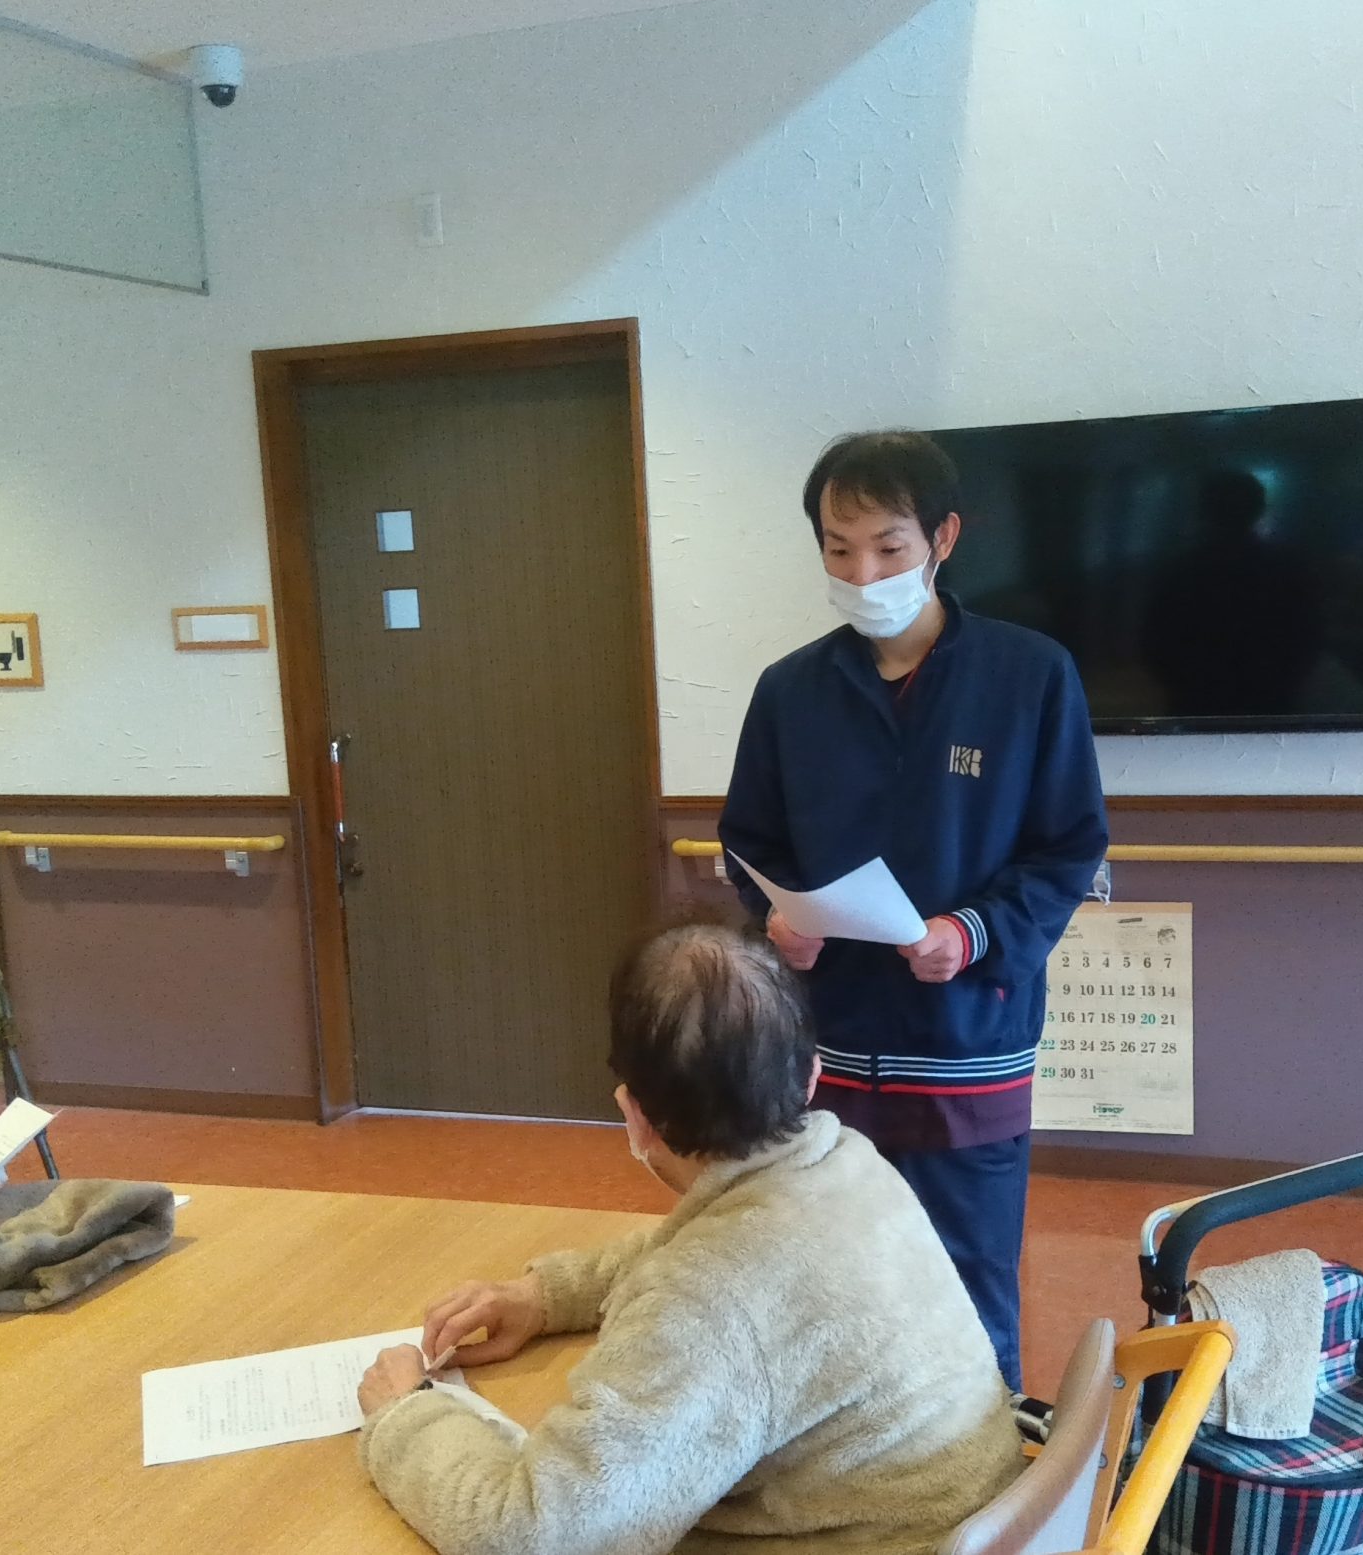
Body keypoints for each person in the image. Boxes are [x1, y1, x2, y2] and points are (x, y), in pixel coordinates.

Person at [354, 919, 1023, 1555]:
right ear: (812, 1075)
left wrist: (406, 1415)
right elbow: (705, 1252)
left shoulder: (708, 1305)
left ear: (635, 1116)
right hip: (972, 1515)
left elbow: (535, 1536)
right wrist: (545, 1295)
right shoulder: (846, 1163)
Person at [718, 430, 1107, 1390]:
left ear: (943, 538)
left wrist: (972, 932)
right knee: (825, 1276)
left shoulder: (1029, 674)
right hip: (827, 1042)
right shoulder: (790, 690)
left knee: (968, 1284)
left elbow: (1068, 845)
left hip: (965, 1041)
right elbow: (749, 839)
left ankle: (986, 1459)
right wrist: (774, 917)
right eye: (838, 548)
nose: (863, 573)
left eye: (889, 547)